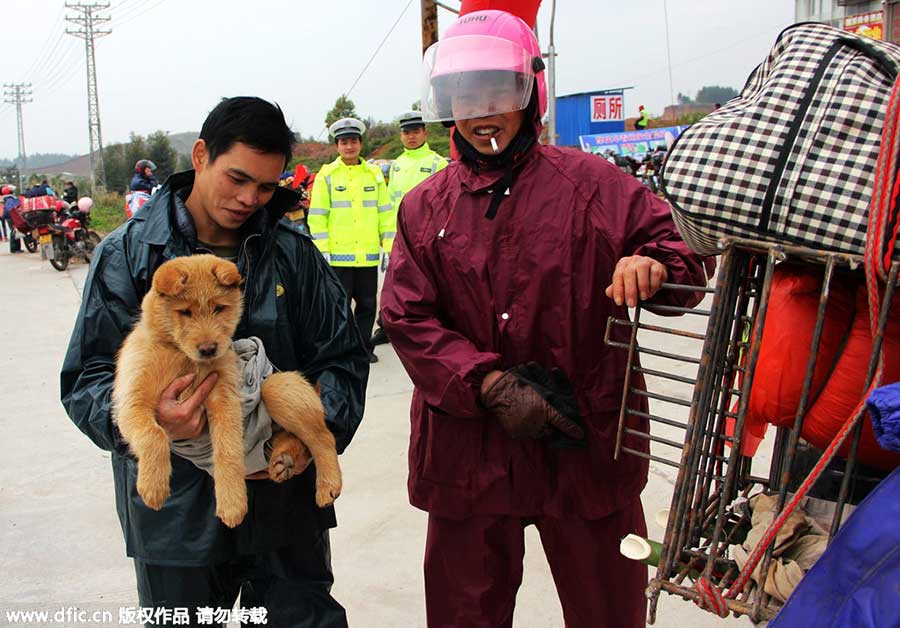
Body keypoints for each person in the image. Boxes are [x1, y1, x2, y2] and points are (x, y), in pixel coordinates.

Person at [380, 10, 710, 628]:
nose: (481, 110)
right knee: (463, 612)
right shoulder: (425, 208)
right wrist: (487, 383)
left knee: (607, 610)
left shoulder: (596, 185)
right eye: (463, 93)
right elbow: (405, 314)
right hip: (467, 451)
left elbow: (684, 255)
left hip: (584, 441)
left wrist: (653, 268)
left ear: (529, 92)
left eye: (497, 90)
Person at [61, 97, 369, 627]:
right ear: (201, 155)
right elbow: (85, 378)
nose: (250, 198)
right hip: (175, 524)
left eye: (267, 187)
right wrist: (149, 422)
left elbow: (343, 359)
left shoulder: (294, 253)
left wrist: (298, 442)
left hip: (285, 510)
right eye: (238, 178)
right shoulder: (130, 254)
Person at [308, 117, 393, 363]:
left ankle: (364, 348)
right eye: (344, 142)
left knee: (367, 306)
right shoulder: (328, 175)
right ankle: (343, 349)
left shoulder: (374, 174)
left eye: (353, 141)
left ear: (360, 144)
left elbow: (385, 213)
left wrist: (388, 245)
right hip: (338, 256)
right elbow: (318, 215)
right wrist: (321, 249)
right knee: (340, 307)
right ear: (337, 146)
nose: (349, 146)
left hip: (367, 255)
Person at [371, 110, 448, 347]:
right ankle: (386, 325)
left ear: (425, 132)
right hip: (397, 234)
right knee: (394, 282)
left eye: (415, 131)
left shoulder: (438, 163)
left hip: (425, 234)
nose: (411, 136)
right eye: (406, 132)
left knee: (427, 283)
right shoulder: (397, 165)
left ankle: (429, 327)